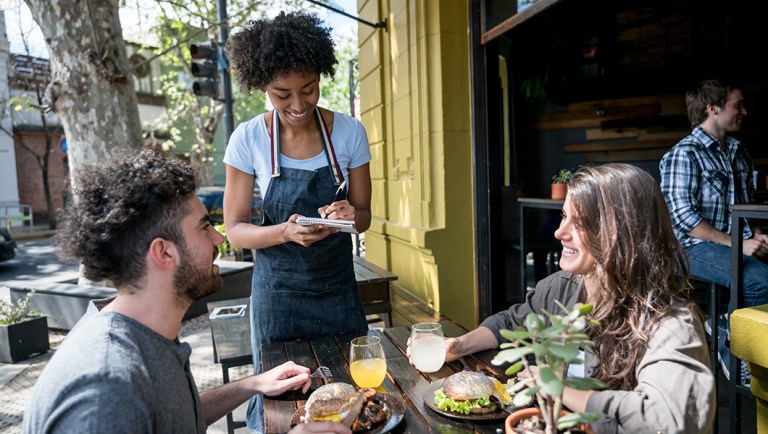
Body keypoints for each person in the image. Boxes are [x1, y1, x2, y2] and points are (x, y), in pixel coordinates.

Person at [22, 149, 350, 434]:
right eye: (205, 227)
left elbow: (175, 416)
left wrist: (252, 384)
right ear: (164, 253)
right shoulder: (105, 390)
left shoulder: (145, 336)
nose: (220, 239)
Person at [409, 164, 716, 433]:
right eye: (564, 216)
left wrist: (557, 388)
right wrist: (460, 345)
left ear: (621, 233)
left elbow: (672, 420)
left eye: (579, 223)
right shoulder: (563, 286)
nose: (559, 232)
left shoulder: (671, 323)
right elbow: (513, 321)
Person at [224, 11, 371, 433]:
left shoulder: (348, 132)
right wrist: (285, 232)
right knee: (282, 402)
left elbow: (364, 217)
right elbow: (235, 229)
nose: (298, 104)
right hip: (278, 295)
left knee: (349, 393)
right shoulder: (248, 138)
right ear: (261, 86)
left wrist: (349, 216)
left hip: (337, 286)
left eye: (308, 89)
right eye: (281, 93)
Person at [659, 79, 768, 384]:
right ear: (713, 108)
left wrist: (756, 234)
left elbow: (747, 203)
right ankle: (732, 339)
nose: (744, 111)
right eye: (738, 104)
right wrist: (738, 244)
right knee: (760, 282)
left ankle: (728, 325)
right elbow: (684, 219)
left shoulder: (738, 151)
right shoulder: (684, 153)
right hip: (689, 247)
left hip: (733, 242)